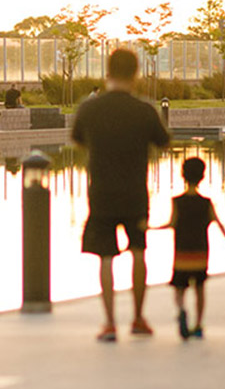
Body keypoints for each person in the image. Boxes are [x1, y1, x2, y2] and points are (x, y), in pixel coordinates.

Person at [71, 49, 172, 342]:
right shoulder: (144, 110)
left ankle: (110, 322)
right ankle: (139, 318)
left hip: (101, 192)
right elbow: (164, 143)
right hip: (135, 193)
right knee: (138, 251)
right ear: (136, 73)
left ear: (108, 72)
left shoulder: (90, 108)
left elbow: (78, 140)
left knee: (105, 256)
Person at [149, 157, 225, 341]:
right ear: (203, 177)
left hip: (181, 254)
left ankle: (181, 309)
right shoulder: (206, 202)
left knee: (179, 289)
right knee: (199, 289)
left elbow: (171, 223)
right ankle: (198, 325)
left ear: (183, 175)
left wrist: (151, 228)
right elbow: (219, 224)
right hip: (200, 254)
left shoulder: (177, 202)